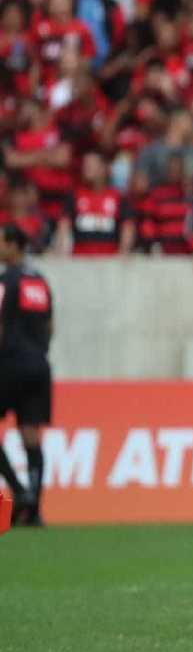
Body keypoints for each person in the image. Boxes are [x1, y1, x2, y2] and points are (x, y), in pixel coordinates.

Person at [0, 225, 53, 526]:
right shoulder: (40, 282)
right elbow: (50, 327)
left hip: (9, 363)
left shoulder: (6, 280)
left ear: (13, 246)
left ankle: (19, 492)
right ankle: (34, 509)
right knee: (31, 435)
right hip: (39, 365)